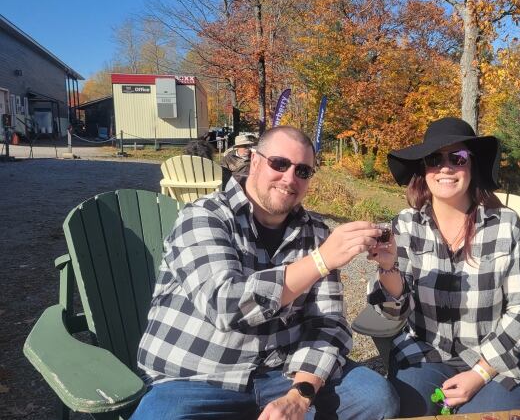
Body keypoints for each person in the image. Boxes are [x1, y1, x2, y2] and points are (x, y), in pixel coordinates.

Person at [133, 126, 399, 420]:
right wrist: (321, 260)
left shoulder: (315, 233)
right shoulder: (204, 216)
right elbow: (225, 305)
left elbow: (327, 323)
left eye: (303, 171)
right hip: (198, 375)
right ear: (256, 162)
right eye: (280, 164)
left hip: (282, 372)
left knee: (374, 398)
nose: (290, 178)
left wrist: (301, 394)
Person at [366, 117, 520, 416]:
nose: (446, 168)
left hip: (501, 359)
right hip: (426, 354)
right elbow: (393, 312)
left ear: (472, 166)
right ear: (423, 169)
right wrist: (388, 270)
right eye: (434, 159)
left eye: (457, 158)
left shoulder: (507, 227)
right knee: (405, 410)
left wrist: (480, 372)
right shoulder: (405, 226)